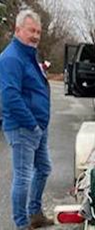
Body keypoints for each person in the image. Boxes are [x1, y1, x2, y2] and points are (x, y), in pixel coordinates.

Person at [0, 9, 53, 230]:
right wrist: (31, 124)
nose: (36, 36)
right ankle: (21, 224)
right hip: (23, 127)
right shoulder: (11, 57)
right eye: (32, 30)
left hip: (38, 126)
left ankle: (35, 213)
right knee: (22, 177)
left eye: (39, 32)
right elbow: (9, 95)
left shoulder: (29, 54)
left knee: (43, 168)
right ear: (18, 29)